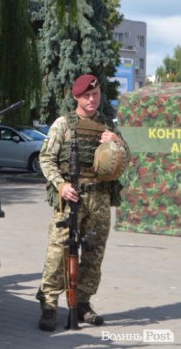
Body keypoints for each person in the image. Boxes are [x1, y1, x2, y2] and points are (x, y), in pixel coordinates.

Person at [37, 74, 130, 331]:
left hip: (99, 197)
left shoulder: (108, 125)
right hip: (71, 197)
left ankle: (83, 303)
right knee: (58, 251)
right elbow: (46, 159)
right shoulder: (63, 124)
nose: (92, 100)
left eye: (96, 94)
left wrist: (117, 142)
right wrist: (61, 185)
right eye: (86, 96)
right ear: (76, 97)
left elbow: (127, 157)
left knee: (94, 252)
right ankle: (49, 305)